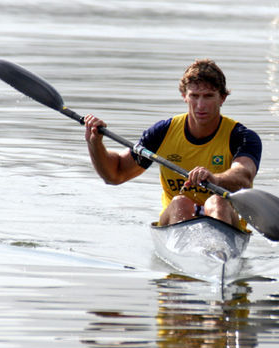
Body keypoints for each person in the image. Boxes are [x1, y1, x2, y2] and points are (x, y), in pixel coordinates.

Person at [84, 59, 262, 229]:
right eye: (194, 96)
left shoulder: (241, 137)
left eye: (208, 96)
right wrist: (95, 143)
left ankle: (218, 254)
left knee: (217, 201)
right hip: (178, 217)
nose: (200, 105)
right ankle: (188, 252)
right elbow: (115, 174)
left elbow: (243, 176)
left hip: (222, 217)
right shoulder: (163, 132)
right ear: (185, 96)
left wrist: (215, 179)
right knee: (181, 202)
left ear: (222, 98)